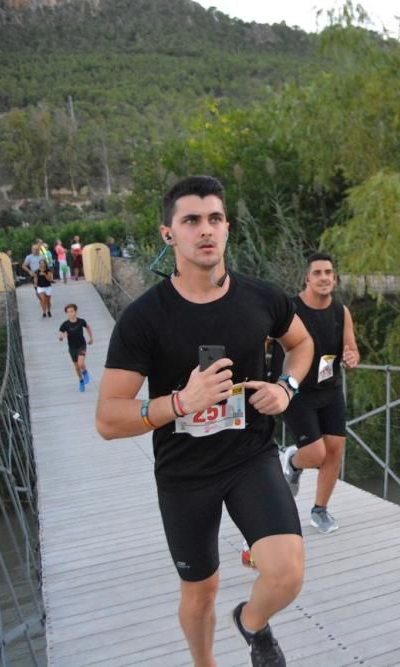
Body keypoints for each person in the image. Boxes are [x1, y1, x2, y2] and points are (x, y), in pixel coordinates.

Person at [96, 176, 314, 667]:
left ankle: (252, 624)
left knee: (287, 572)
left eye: (214, 218)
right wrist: (179, 402)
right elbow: (108, 418)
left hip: (250, 456)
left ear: (228, 228)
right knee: (201, 589)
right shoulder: (144, 319)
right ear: (168, 234)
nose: (205, 230)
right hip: (184, 473)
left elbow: (300, 345)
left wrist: (286, 388)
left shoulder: (261, 298)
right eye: (191, 220)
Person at [274, 251, 360, 534]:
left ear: (334, 279)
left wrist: (351, 358)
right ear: (307, 278)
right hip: (295, 390)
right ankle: (292, 460)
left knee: (335, 450)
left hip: (330, 388)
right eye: (318, 273)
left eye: (328, 273)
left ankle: (319, 510)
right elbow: (262, 340)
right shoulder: (290, 309)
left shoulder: (340, 311)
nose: (324, 278)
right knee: (315, 454)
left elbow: (352, 349)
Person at [58, 303, 93, 391]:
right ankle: (81, 381)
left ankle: (85, 373)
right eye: (68, 312)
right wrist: (61, 337)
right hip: (72, 348)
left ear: (76, 312)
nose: (70, 313)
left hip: (81, 345)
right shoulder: (65, 324)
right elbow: (61, 335)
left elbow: (88, 327)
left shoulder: (81, 321)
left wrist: (91, 338)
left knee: (81, 363)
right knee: (77, 367)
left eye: (72, 311)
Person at [21, 245, 45, 310]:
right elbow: (23, 266)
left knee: (44, 289)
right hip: (34, 275)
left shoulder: (42, 256)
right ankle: (41, 300)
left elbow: (45, 265)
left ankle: (43, 300)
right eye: (34, 249)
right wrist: (29, 271)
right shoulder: (29, 257)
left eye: (37, 249)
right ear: (31, 250)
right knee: (37, 290)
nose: (35, 251)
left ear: (39, 250)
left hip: (42, 274)